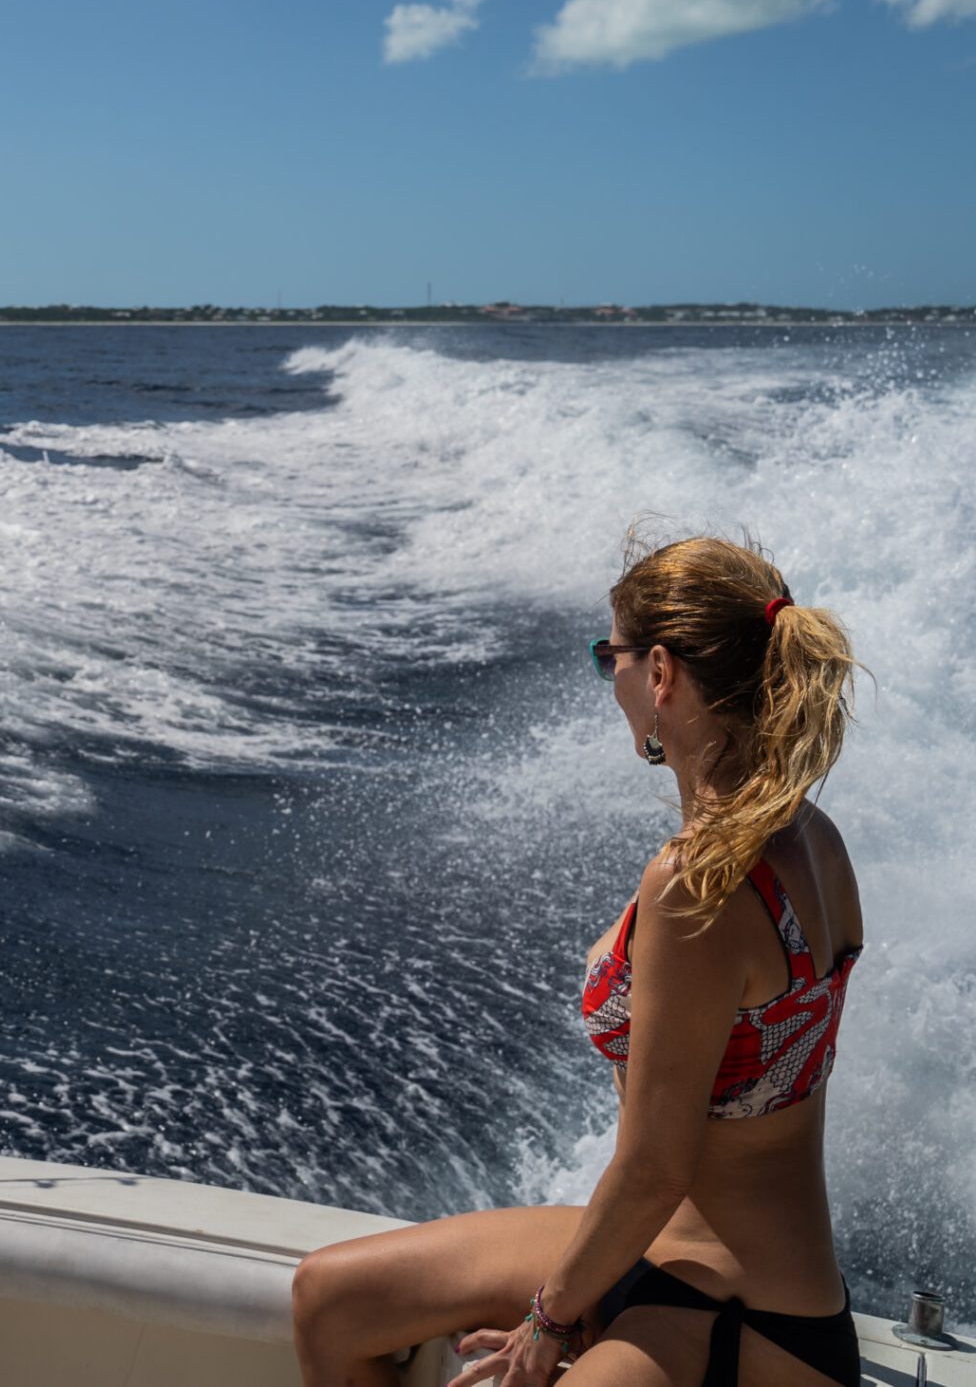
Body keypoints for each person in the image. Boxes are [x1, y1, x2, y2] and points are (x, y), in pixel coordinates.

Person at [290, 534, 863, 1387]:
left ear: (661, 673)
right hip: (658, 1252)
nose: (614, 681)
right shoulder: (813, 838)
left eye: (612, 658)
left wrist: (550, 1318)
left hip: (736, 1318)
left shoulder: (696, 883)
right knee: (329, 1299)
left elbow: (657, 1164)